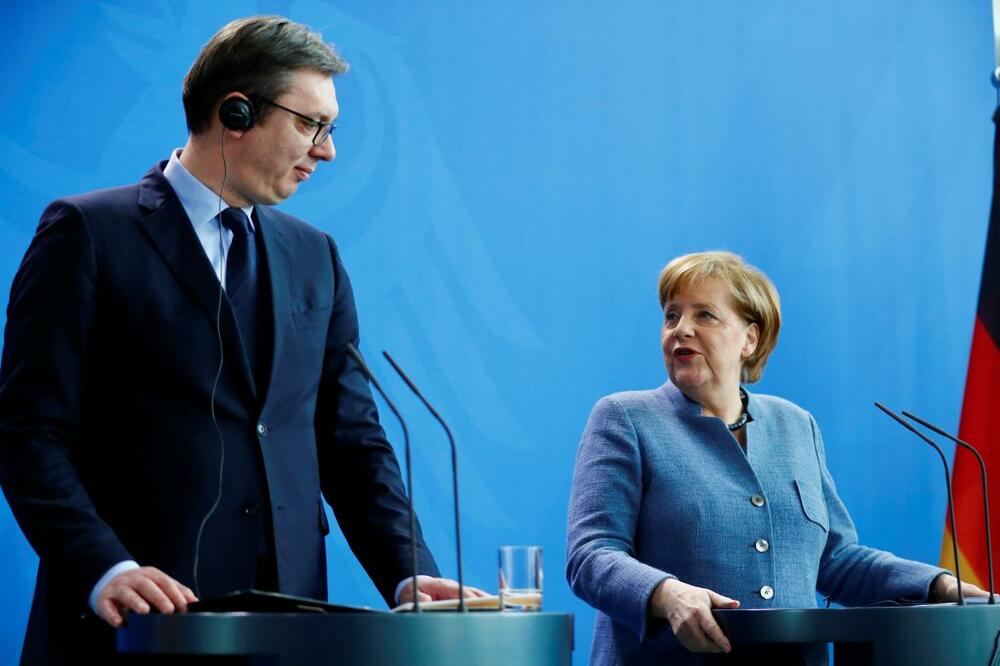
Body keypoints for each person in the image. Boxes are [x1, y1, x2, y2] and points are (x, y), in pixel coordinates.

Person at [0, 16, 473, 664]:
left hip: (286, 630)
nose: (327, 151)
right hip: (133, 625)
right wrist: (105, 566)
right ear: (237, 111)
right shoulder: (86, 233)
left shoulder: (317, 258)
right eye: (311, 124)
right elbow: (28, 432)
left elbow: (352, 441)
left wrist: (406, 570)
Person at [565, 251, 987, 666]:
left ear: (750, 338)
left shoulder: (796, 424)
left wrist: (940, 586)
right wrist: (666, 593)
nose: (681, 330)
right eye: (672, 315)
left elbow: (836, 560)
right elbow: (591, 554)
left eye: (704, 316)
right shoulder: (625, 418)